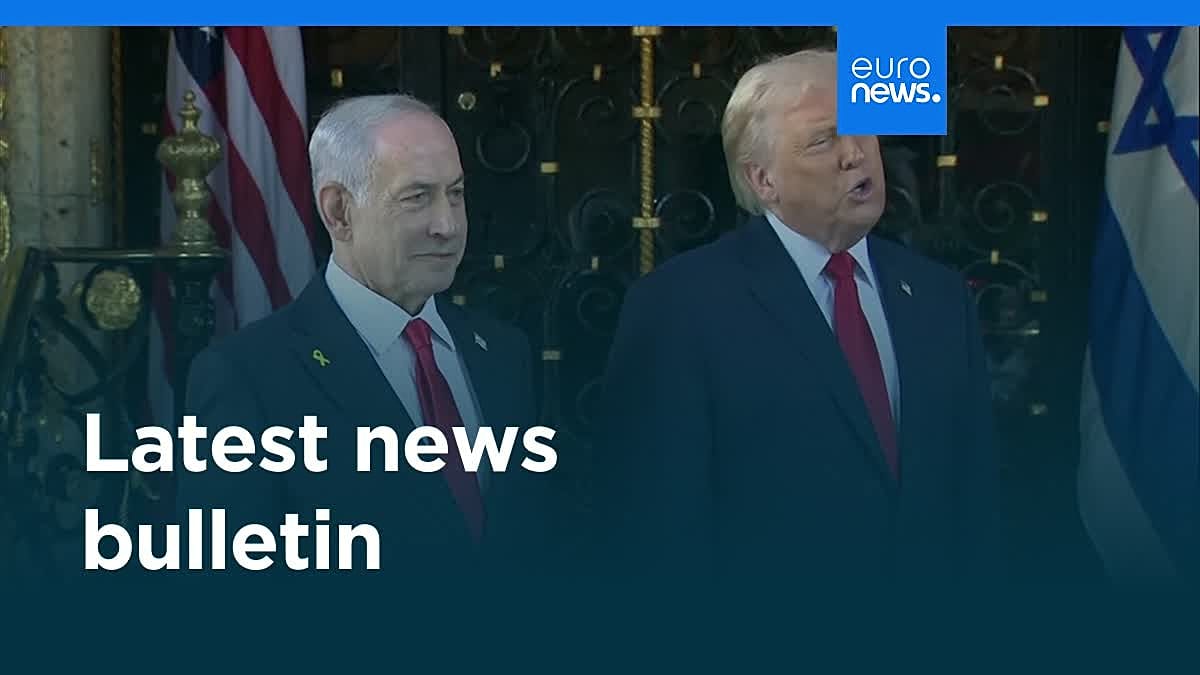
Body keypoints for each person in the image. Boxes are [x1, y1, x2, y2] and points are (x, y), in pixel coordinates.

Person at [595, 49, 1000, 584]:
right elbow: (653, 528)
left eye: (863, 129)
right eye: (824, 139)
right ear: (763, 179)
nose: (856, 153)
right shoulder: (679, 305)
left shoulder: (939, 295)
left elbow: (975, 502)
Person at [177, 95, 547, 580]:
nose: (448, 225)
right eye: (417, 197)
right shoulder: (248, 378)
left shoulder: (503, 353)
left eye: (455, 194)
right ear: (339, 211)